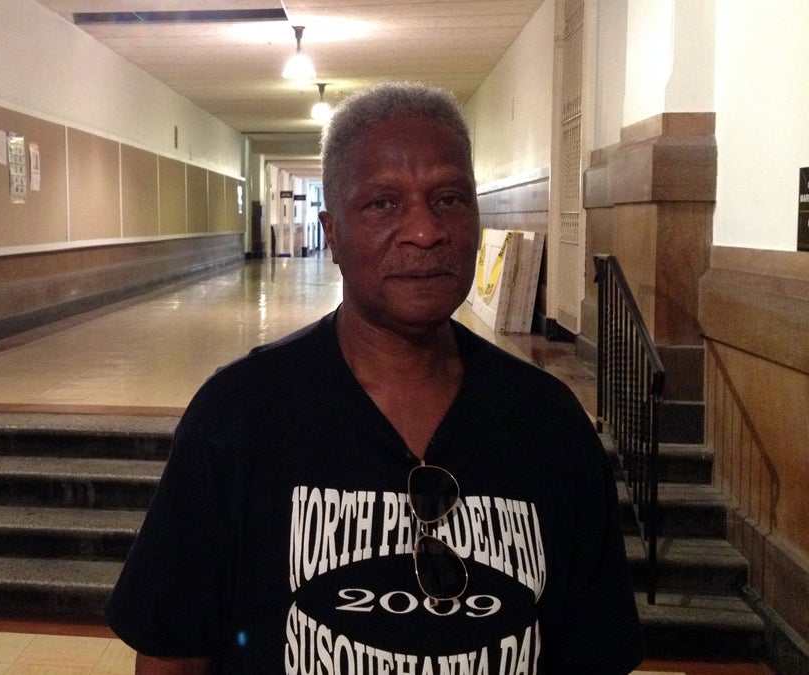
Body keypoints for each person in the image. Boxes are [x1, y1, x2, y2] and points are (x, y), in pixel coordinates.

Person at [106, 82, 643, 674]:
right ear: (332, 234)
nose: (424, 230)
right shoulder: (239, 417)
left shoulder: (548, 424)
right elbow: (174, 653)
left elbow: (594, 651)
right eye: (384, 203)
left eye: (449, 199)